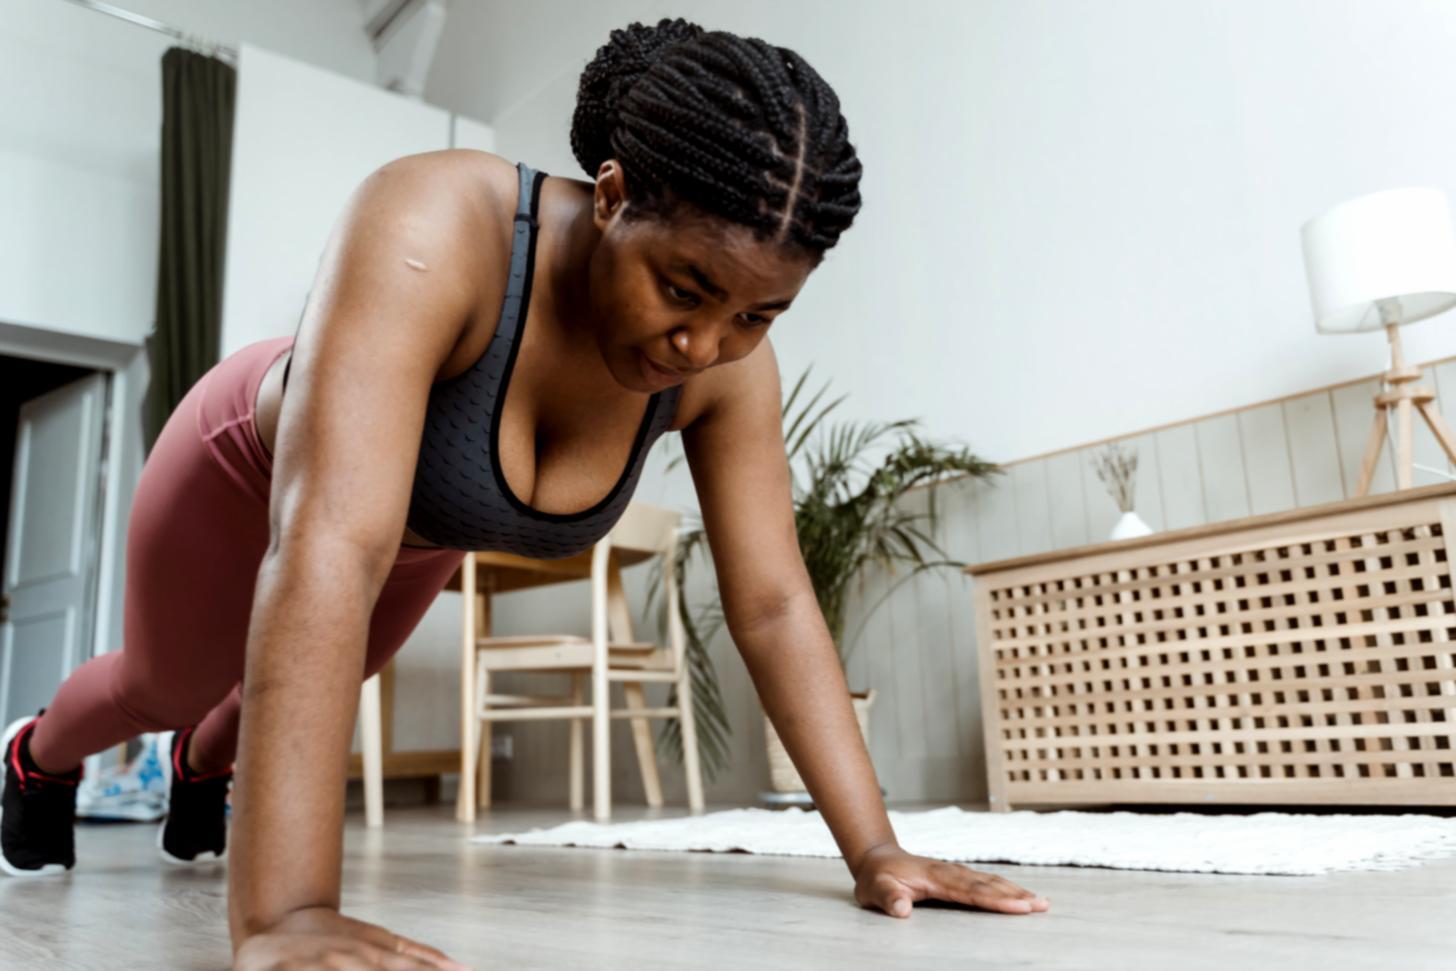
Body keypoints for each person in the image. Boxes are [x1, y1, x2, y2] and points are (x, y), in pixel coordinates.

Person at [0, 17, 1050, 969]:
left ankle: (202, 764)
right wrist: (288, 910)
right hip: (250, 466)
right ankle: (36, 756)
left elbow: (773, 603)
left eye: (755, 315)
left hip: (408, 534)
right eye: (683, 289)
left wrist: (876, 846)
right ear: (608, 195)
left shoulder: (722, 368)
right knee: (167, 680)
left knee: (336, 661)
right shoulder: (435, 222)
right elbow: (327, 544)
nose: (704, 344)